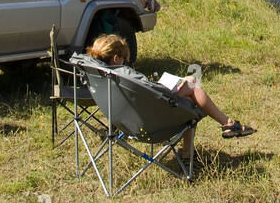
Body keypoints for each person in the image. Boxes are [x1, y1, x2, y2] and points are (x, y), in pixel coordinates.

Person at [85, 35, 255, 156]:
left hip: (126, 120)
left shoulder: (102, 75)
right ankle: (228, 123)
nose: (125, 62)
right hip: (152, 123)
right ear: (116, 58)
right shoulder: (123, 74)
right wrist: (167, 86)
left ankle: (189, 151)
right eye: (124, 59)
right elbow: (152, 92)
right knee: (193, 90)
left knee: (189, 85)